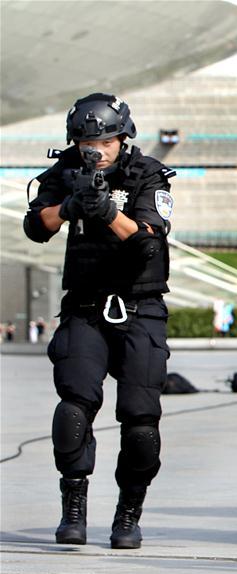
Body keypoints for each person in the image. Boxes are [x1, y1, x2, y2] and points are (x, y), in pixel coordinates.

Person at [23, 93, 175, 549]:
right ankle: (74, 508)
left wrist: (109, 212)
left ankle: (128, 514)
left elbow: (149, 240)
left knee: (141, 421)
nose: (97, 149)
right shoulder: (64, 171)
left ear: (122, 137)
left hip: (140, 306)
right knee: (72, 408)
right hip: (86, 305)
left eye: (106, 140)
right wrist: (70, 206)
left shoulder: (146, 172)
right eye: (88, 140)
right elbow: (37, 226)